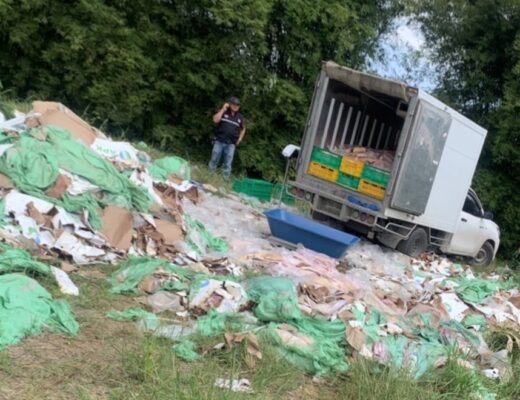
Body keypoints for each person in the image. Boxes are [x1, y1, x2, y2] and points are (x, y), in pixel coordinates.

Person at [209, 96, 246, 180]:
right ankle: (210, 177)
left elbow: (243, 129)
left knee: (228, 164)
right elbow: (215, 120)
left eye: (237, 105)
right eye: (234, 104)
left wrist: (240, 139)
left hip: (231, 144)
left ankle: (225, 181)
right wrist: (223, 109)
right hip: (219, 141)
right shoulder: (223, 112)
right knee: (214, 160)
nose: (235, 106)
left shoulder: (240, 117)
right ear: (229, 104)